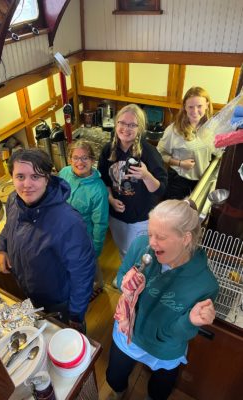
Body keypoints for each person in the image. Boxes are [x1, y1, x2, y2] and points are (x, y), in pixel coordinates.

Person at [106, 199, 219, 400]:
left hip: (165, 348)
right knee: (114, 376)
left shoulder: (205, 285)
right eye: (150, 234)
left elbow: (179, 333)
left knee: (160, 391)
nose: (151, 242)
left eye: (160, 237)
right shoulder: (142, 247)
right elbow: (123, 272)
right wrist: (127, 282)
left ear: (185, 239)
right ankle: (119, 392)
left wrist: (190, 321)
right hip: (128, 329)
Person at [0, 148, 96, 332]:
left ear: (47, 178)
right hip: (29, 293)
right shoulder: (13, 201)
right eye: (20, 177)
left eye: (35, 176)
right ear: (12, 178)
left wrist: (76, 314)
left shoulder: (69, 222)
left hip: (60, 303)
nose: (27, 184)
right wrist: (1, 247)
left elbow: (82, 272)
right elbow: (8, 228)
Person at [98, 104, 167, 285]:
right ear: (116, 124)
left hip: (140, 217)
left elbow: (160, 189)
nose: (125, 128)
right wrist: (111, 199)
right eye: (122, 123)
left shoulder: (149, 153)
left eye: (132, 125)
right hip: (117, 215)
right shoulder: (108, 150)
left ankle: (139, 282)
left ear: (140, 129)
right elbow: (103, 180)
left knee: (140, 253)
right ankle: (128, 278)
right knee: (123, 250)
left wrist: (145, 175)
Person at [59, 140, 109, 292]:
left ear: (92, 161)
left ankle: (98, 285)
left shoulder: (98, 190)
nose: (79, 162)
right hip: (63, 232)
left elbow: (100, 224)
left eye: (85, 158)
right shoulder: (64, 173)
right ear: (69, 159)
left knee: (90, 264)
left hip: (84, 239)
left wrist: (96, 251)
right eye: (75, 157)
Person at [157, 86, 219, 200]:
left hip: (202, 181)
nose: (195, 111)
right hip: (178, 182)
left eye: (199, 106)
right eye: (190, 107)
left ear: (206, 105)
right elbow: (159, 154)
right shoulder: (174, 130)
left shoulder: (212, 128)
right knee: (175, 216)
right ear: (184, 107)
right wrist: (180, 163)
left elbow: (216, 152)